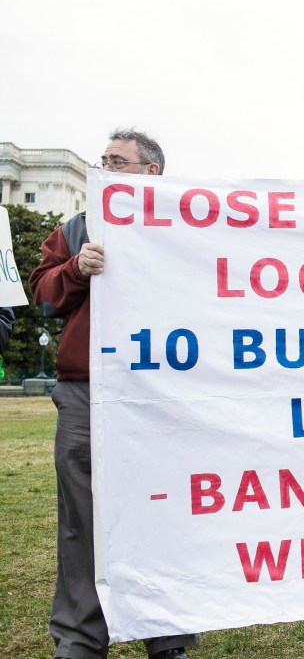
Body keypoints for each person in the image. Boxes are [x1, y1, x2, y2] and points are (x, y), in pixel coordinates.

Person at [29, 129, 199, 659]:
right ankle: (79, 641)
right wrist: (75, 271)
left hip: (159, 394)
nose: (103, 166)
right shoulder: (76, 229)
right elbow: (43, 293)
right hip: (87, 394)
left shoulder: (184, 225)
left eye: (117, 161)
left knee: (162, 514)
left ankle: (167, 638)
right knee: (82, 520)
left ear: (151, 173)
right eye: (102, 158)